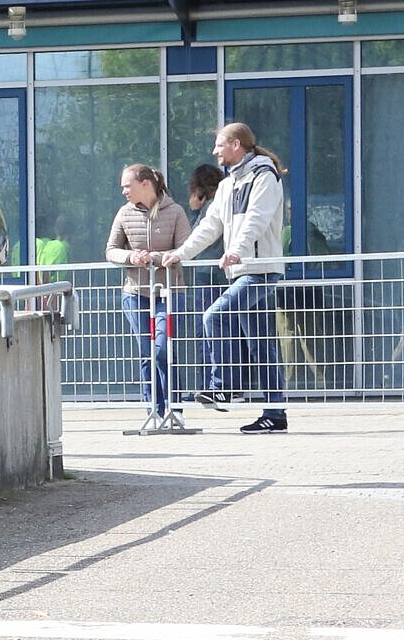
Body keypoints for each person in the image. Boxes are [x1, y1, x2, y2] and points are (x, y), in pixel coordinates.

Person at [159, 122, 288, 433]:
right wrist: (182, 253)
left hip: (259, 269)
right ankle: (276, 413)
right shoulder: (229, 184)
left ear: (236, 145)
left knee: (214, 316)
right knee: (261, 343)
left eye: (219, 145)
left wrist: (237, 250)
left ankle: (224, 386)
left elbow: (257, 218)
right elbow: (209, 225)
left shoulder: (263, 176)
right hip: (242, 269)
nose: (214, 151)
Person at [106, 164, 191, 430]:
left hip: (168, 292)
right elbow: (111, 250)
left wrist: (154, 258)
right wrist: (131, 257)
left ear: (145, 184)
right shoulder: (124, 213)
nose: (123, 191)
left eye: (127, 185)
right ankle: (152, 410)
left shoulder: (175, 212)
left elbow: (186, 248)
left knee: (163, 350)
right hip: (135, 293)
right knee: (146, 352)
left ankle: (173, 408)